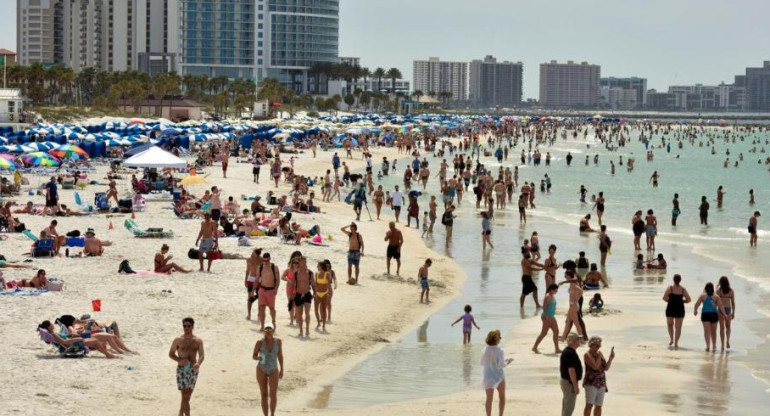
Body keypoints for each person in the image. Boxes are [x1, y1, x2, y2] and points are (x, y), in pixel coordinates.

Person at [169, 317, 204, 416]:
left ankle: (180, 413)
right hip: (182, 369)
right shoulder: (178, 340)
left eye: (188, 326)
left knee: (187, 396)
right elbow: (171, 353)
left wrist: (198, 363)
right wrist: (179, 360)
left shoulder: (198, 340)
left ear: (192, 326)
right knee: (185, 394)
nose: (186, 328)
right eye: (184, 326)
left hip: (193, 369)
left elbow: (202, 355)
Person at [253, 322, 283, 416]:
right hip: (261, 369)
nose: (268, 332)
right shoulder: (259, 342)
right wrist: (258, 358)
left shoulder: (278, 342)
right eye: (267, 329)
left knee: (273, 395)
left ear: (273, 330)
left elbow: (280, 355)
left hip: (273, 369)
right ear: (264, 331)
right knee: (264, 394)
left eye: (270, 329)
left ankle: (272, 414)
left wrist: (282, 369)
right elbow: (254, 356)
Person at [481, 330, 513, 416]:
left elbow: (482, 363)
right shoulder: (500, 350)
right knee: (502, 397)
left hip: (487, 375)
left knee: (489, 399)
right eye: (500, 337)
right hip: (498, 376)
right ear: (497, 339)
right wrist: (508, 361)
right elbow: (501, 365)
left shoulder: (485, 350)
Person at [583, 337, 615, 416]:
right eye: (597, 346)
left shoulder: (599, 354)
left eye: (599, 346)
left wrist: (611, 358)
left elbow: (606, 368)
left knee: (599, 405)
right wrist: (600, 356)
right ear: (591, 345)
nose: (598, 348)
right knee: (589, 404)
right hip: (591, 383)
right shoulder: (587, 355)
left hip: (601, 383)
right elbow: (595, 366)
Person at [693, 282, 727, 352]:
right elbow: (721, 306)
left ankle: (708, 346)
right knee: (713, 331)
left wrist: (695, 311)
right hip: (714, 315)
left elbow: (696, 304)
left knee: (706, 331)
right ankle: (714, 345)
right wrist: (725, 314)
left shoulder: (702, 296)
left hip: (705, 314)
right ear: (712, 289)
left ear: (705, 288)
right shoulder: (716, 297)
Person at [663, 274, 691, 349]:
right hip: (680, 309)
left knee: (670, 325)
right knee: (678, 327)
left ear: (673, 280)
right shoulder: (683, 289)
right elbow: (689, 299)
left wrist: (669, 301)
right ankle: (676, 343)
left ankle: (671, 339)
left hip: (670, 308)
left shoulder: (670, 288)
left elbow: (664, 298)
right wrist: (682, 301)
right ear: (680, 280)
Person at [532, 283, 561, 354]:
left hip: (552, 316)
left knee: (556, 331)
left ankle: (557, 349)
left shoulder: (552, 296)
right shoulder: (547, 296)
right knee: (544, 333)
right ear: (551, 290)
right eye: (556, 290)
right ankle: (534, 347)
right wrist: (546, 316)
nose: (557, 292)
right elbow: (544, 307)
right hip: (546, 316)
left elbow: (553, 305)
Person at [560, 333, 583, 416]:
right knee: (569, 406)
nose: (579, 341)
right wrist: (575, 386)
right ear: (573, 342)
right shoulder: (570, 353)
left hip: (567, 382)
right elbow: (571, 371)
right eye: (578, 339)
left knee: (567, 404)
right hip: (569, 383)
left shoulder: (569, 351)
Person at [257, 252, 280, 331]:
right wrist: (254, 290)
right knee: (261, 308)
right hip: (262, 289)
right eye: (264, 261)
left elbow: (277, 280)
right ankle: (262, 325)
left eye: (267, 261)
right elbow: (257, 279)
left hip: (271, 290)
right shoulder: (260, 267)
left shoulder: (274, 267)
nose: (265, 262)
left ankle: (273, 321)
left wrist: (276, 289)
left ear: (270, 259)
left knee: (271, 308)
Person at [292, 256, 313, 337]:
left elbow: (313, 284)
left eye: (305, 262)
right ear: (299, 263)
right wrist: (292, 294)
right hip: (298, 294)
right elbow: (292, 284)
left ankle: (307, 329)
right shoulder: (296, 273)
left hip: (307, 294)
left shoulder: (310, 273)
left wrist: (314, 292)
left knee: (307, 313)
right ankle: (301, 330)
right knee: (299, 314)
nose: (304, 264)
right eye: (302, 262)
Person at [717, 276, 735, 350]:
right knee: (728, 327)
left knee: (722, 328)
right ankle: (727, 341)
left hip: (721, 310)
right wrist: (733, 312)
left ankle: (722, 345)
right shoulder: (731, 291)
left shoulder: (719, 290)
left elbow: (716, 301)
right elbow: (733, 303)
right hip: (728, 310)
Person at [245, 248, 263, 321]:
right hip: (251, 279)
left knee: (259, 297)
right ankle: (249, 314)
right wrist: (245, 279)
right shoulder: (249, 260)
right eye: (252, 252)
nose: (252, 254)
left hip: (259, 280)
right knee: (250, 297)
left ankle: (259, 314)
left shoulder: (261, 260)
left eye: (254, 253)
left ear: (257, 254)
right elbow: (247, 270)